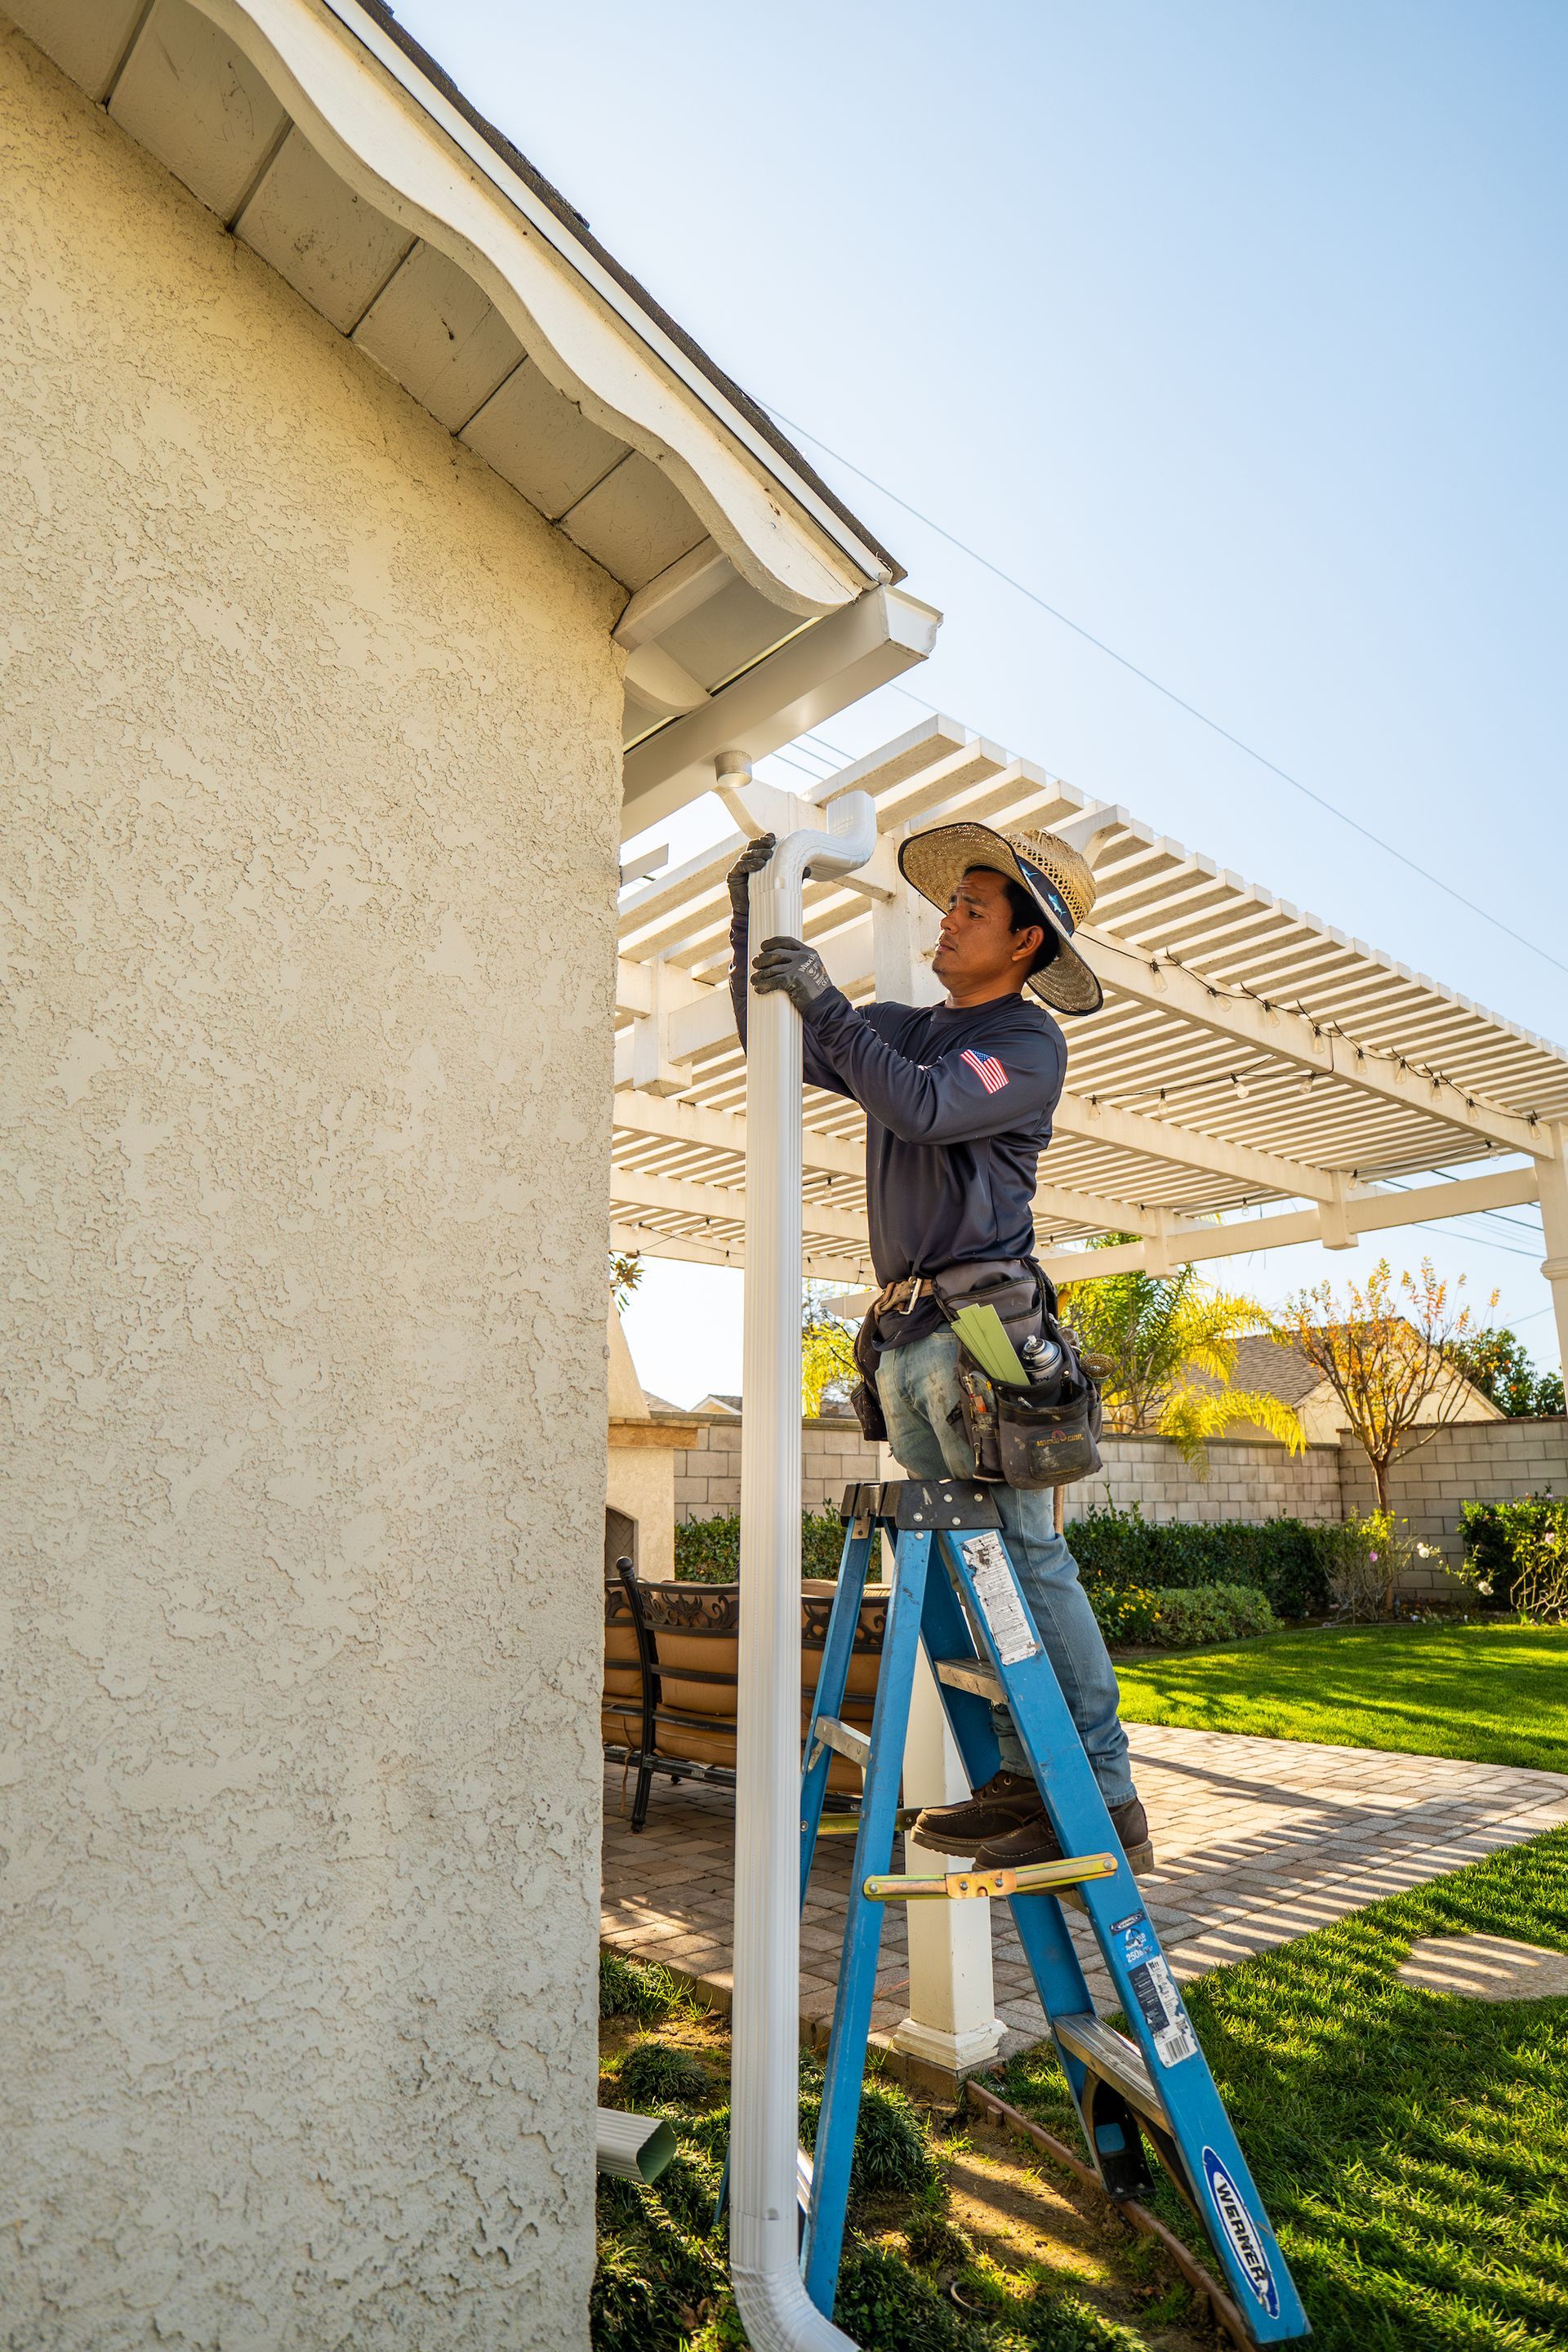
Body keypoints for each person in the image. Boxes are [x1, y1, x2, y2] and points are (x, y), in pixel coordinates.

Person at [726, 818, 1149, 1875]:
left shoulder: (1024, 1047)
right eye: (949, 901)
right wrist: (752, 913)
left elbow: (916, 1110)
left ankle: (1102, 1789)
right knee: (973, 1571)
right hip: (909, 1341)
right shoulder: (911, 1028)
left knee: (1026, 1551)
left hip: (983, 1334)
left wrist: (826, 998)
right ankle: (1019, 1776)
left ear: (1024, 945)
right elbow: (767, 1034)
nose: (946, 917)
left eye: (973, 907)